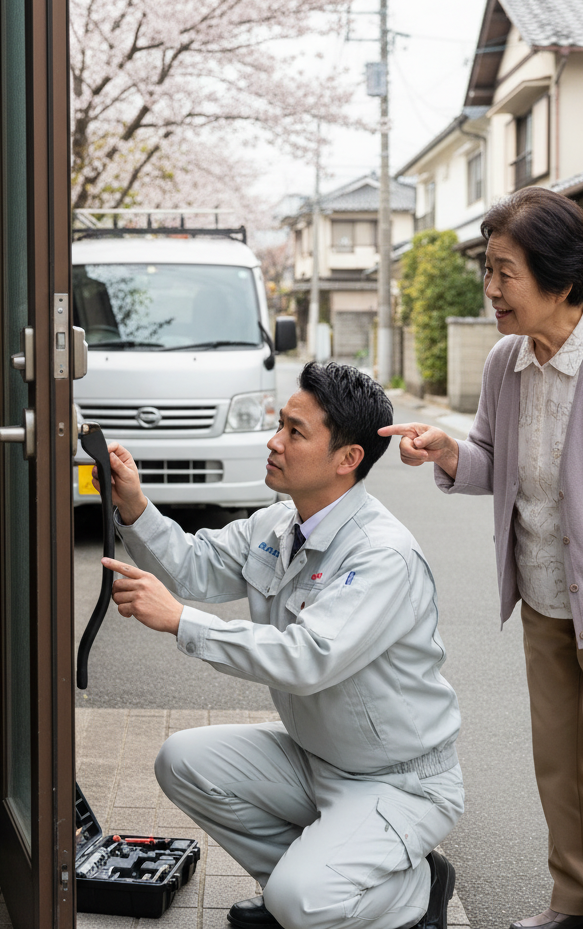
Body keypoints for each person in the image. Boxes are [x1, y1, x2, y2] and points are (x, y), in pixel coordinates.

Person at [380, 187, 583, 929]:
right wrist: (452, 450)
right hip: (545, 598)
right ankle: (574, 902)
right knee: (559, 766)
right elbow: (496, 461)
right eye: (489, 271)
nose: (490, 291)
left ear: (558, 277)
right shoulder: (507, 363)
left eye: (503, 273)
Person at [95, 361, 465, 929]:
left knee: (301, 903)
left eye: (295, 432)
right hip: (316, 757)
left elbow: (308, 657)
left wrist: (181, 623)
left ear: (348, 460)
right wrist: (134, 507)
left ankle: (418, 886)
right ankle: (303, 888)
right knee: (183, 762)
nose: (274, 442)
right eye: (280, 425)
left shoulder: (381, 556)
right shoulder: (278, 523)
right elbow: (197, 567)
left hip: (398, 780)